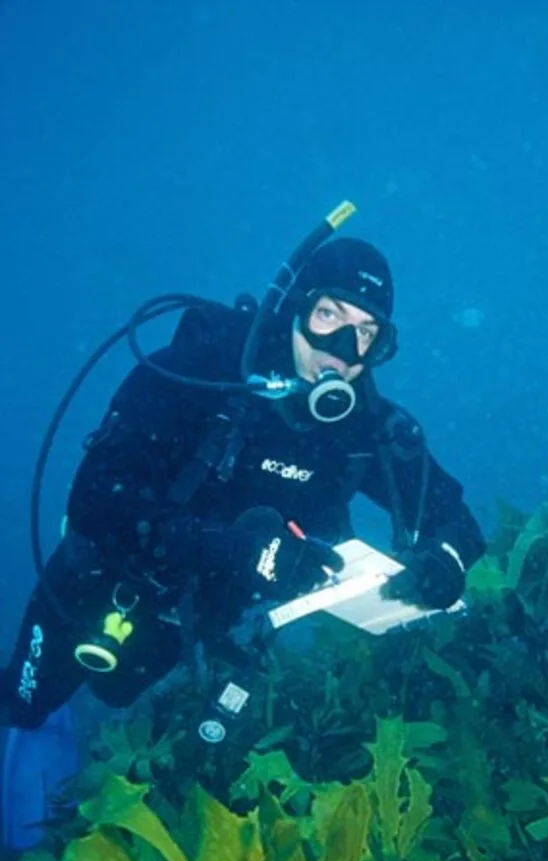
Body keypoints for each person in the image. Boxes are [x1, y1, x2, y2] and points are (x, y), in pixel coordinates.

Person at [0, 223, 486, 745]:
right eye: (330, 317)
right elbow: (96, 501)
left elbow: (454, 516)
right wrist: (245, 552)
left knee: (115, 693)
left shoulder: (365, 430)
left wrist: (446, 562)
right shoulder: (199, 374)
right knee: (26, 703)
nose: (344, 348)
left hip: (191, 618)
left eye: (367, 332)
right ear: (296, 308)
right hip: (104, 582)